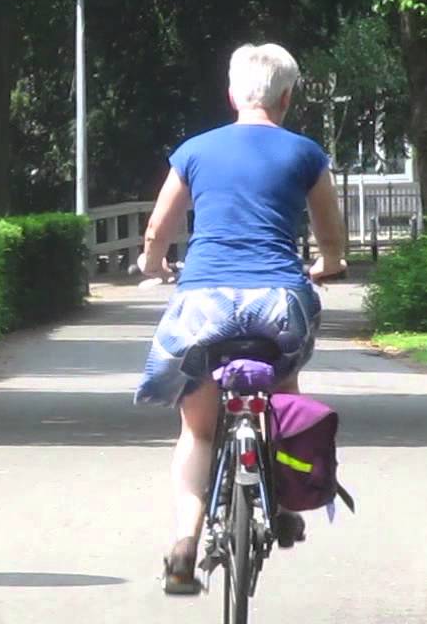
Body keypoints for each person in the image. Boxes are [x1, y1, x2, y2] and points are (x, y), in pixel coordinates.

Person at [134, 43, 347, 594]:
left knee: (198, 430)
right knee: (285, 393)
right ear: (287, 97)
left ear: (232, 94)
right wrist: (328, 265)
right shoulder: (306, 154)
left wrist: (153, 262)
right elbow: (331, 238)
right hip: (278, 298)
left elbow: (159, 229)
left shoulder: (195, 150)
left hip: (204, 300)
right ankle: (281, 500)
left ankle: (185, 540)